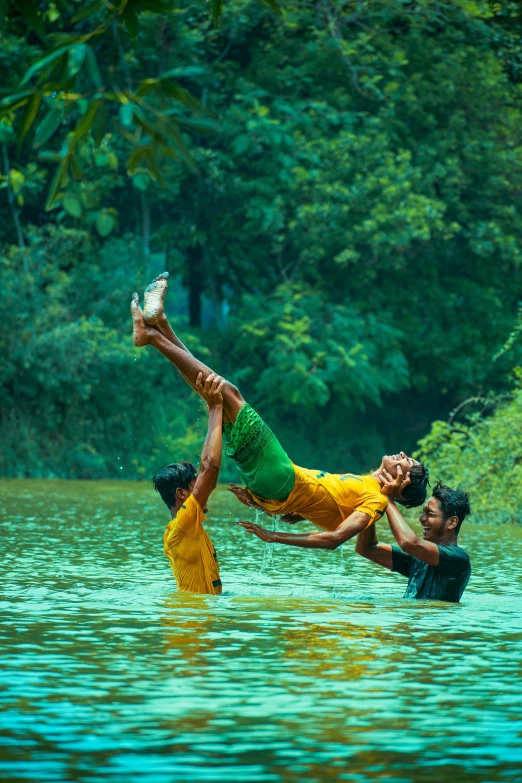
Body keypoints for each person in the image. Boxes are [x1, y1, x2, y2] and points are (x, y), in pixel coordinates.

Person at [131, 273, 429, 551]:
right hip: (276, 487)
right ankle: (162, 327)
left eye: (408, 462)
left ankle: (154, 336)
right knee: (219, 396)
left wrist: (273, 536)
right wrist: (283, 509)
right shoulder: (368, 489)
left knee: (230, 395)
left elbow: (335, 538)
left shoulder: (375, 501)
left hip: (282, 477)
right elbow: (326, 508)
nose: (402, 455)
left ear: (403, 485)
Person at [355, 467, 471, 602]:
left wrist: (387, 500)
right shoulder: (417, 559)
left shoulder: (459, 560)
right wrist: (372, 499)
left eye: (430, 514)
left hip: (434, 622)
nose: (422, 519)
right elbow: (366, 548)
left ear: (452, 522)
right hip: (414, 619)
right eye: (424, 512)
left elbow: (409, 543)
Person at [157, 371, 225, 595]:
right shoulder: (185, 522)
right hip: (190, 627)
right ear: (181, 494)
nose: (204, 489)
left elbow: (210, 476)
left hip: (193, 621)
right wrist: (215, 407)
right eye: (195, 484)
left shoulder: (180, 527)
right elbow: (211, 467)